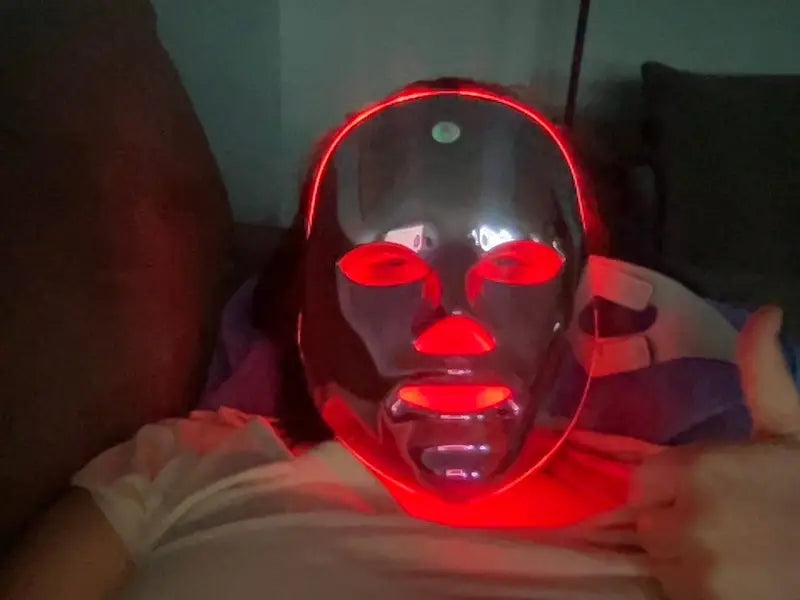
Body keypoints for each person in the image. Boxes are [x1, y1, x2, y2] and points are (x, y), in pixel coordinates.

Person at [2, 78, 799, 600]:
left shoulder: (705, 504)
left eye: (512, 264)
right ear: (307, 299)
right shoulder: (180, 468)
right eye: (388, 265)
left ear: (585, 300)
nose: (453, 321)